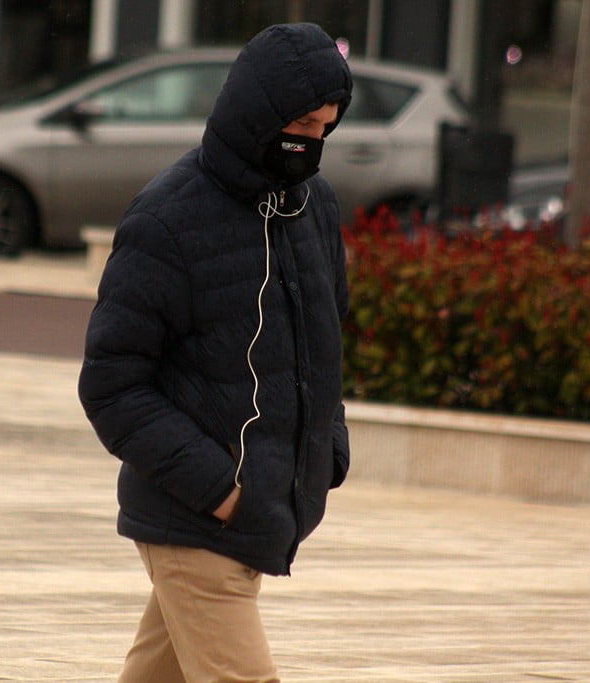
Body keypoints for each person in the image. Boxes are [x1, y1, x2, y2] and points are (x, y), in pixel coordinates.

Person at [78, 22, 353, 682]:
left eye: (325, 128)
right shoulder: (168, 217)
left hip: (259, 511)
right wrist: (224, 491)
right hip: (194, 518)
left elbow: (324, 345)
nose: (311, 142)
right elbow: (112, 387)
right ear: (258, 111)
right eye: (302, 124)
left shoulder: (313, 207)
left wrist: (327, 451)